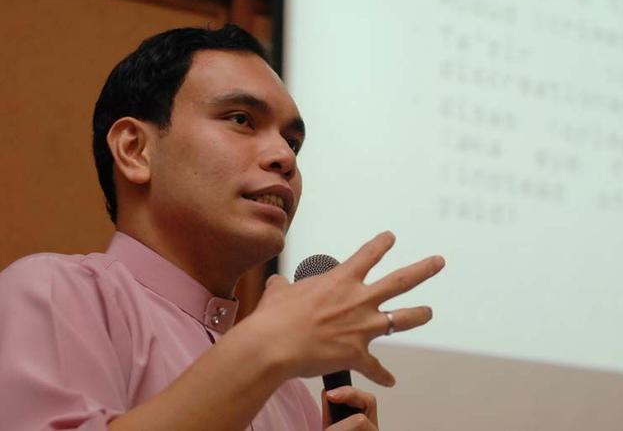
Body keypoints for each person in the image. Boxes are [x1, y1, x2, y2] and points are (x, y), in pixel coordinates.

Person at [0, 24, 444, 430]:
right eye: (241, 120)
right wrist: (263, 347)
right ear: (135, 150)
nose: (284, 158)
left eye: (292, 142)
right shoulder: (54, 293)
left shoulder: (287, 394)